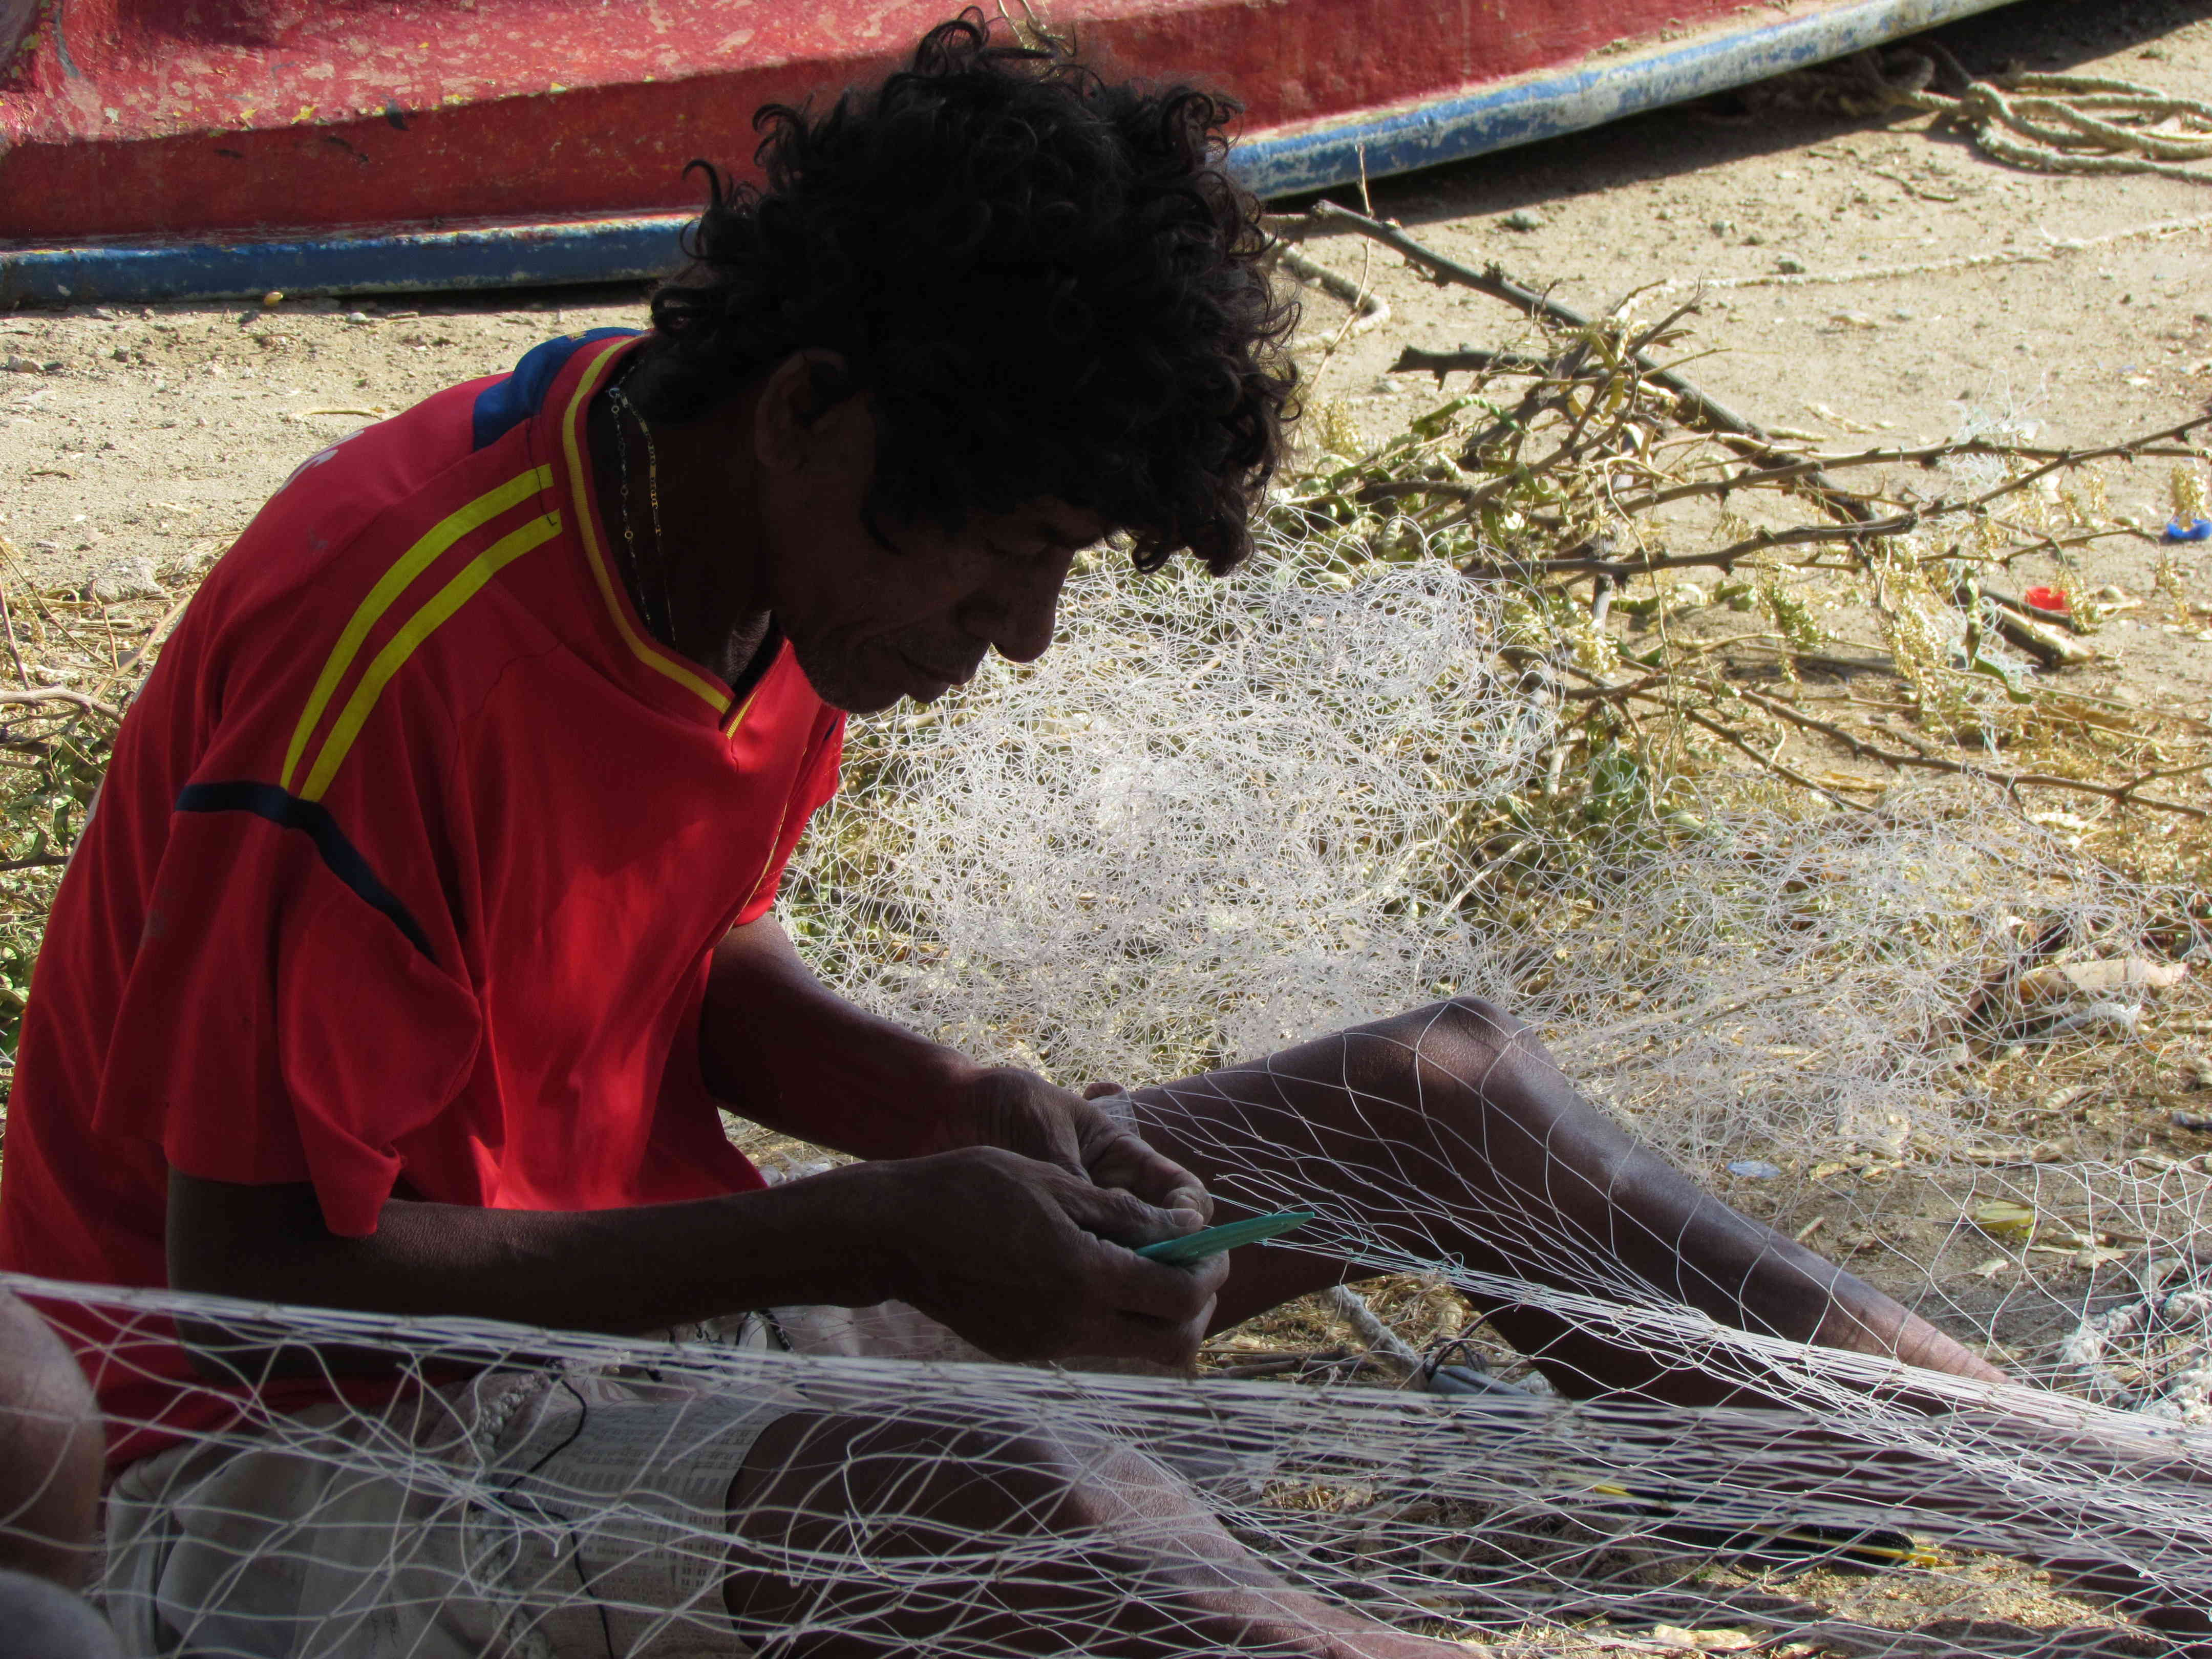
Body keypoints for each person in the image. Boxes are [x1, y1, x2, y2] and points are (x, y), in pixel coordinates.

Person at [0, 14, 2018, 1655]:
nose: (1024, 637)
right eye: (1007, 553)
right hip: (277, 1465)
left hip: (645, 1319)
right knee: (1035, 1500)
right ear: (810, 411)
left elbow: (674, 964)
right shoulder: (392, 651)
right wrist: (878, 1226)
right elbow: (249, 1268)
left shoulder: (734, 538)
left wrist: (949, 1103)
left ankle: (2089, 1512)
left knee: (1438, 1095)